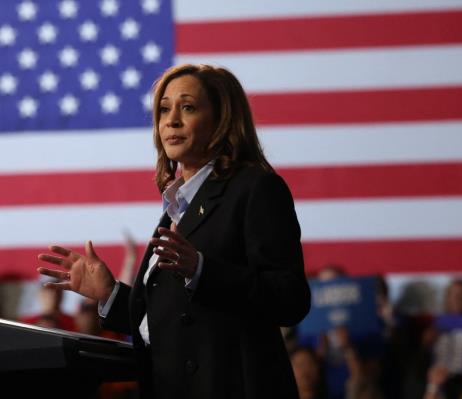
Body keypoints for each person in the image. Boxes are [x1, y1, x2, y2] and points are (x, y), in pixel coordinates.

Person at [37, 64, 311, 399]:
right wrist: (109, 293)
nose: (172, 120)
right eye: (164, 109)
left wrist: (202, 270)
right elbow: (167, 324)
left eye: (189, 107)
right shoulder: (177, 204)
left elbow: (289, 299)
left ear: (222, 119)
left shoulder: (255, 188)